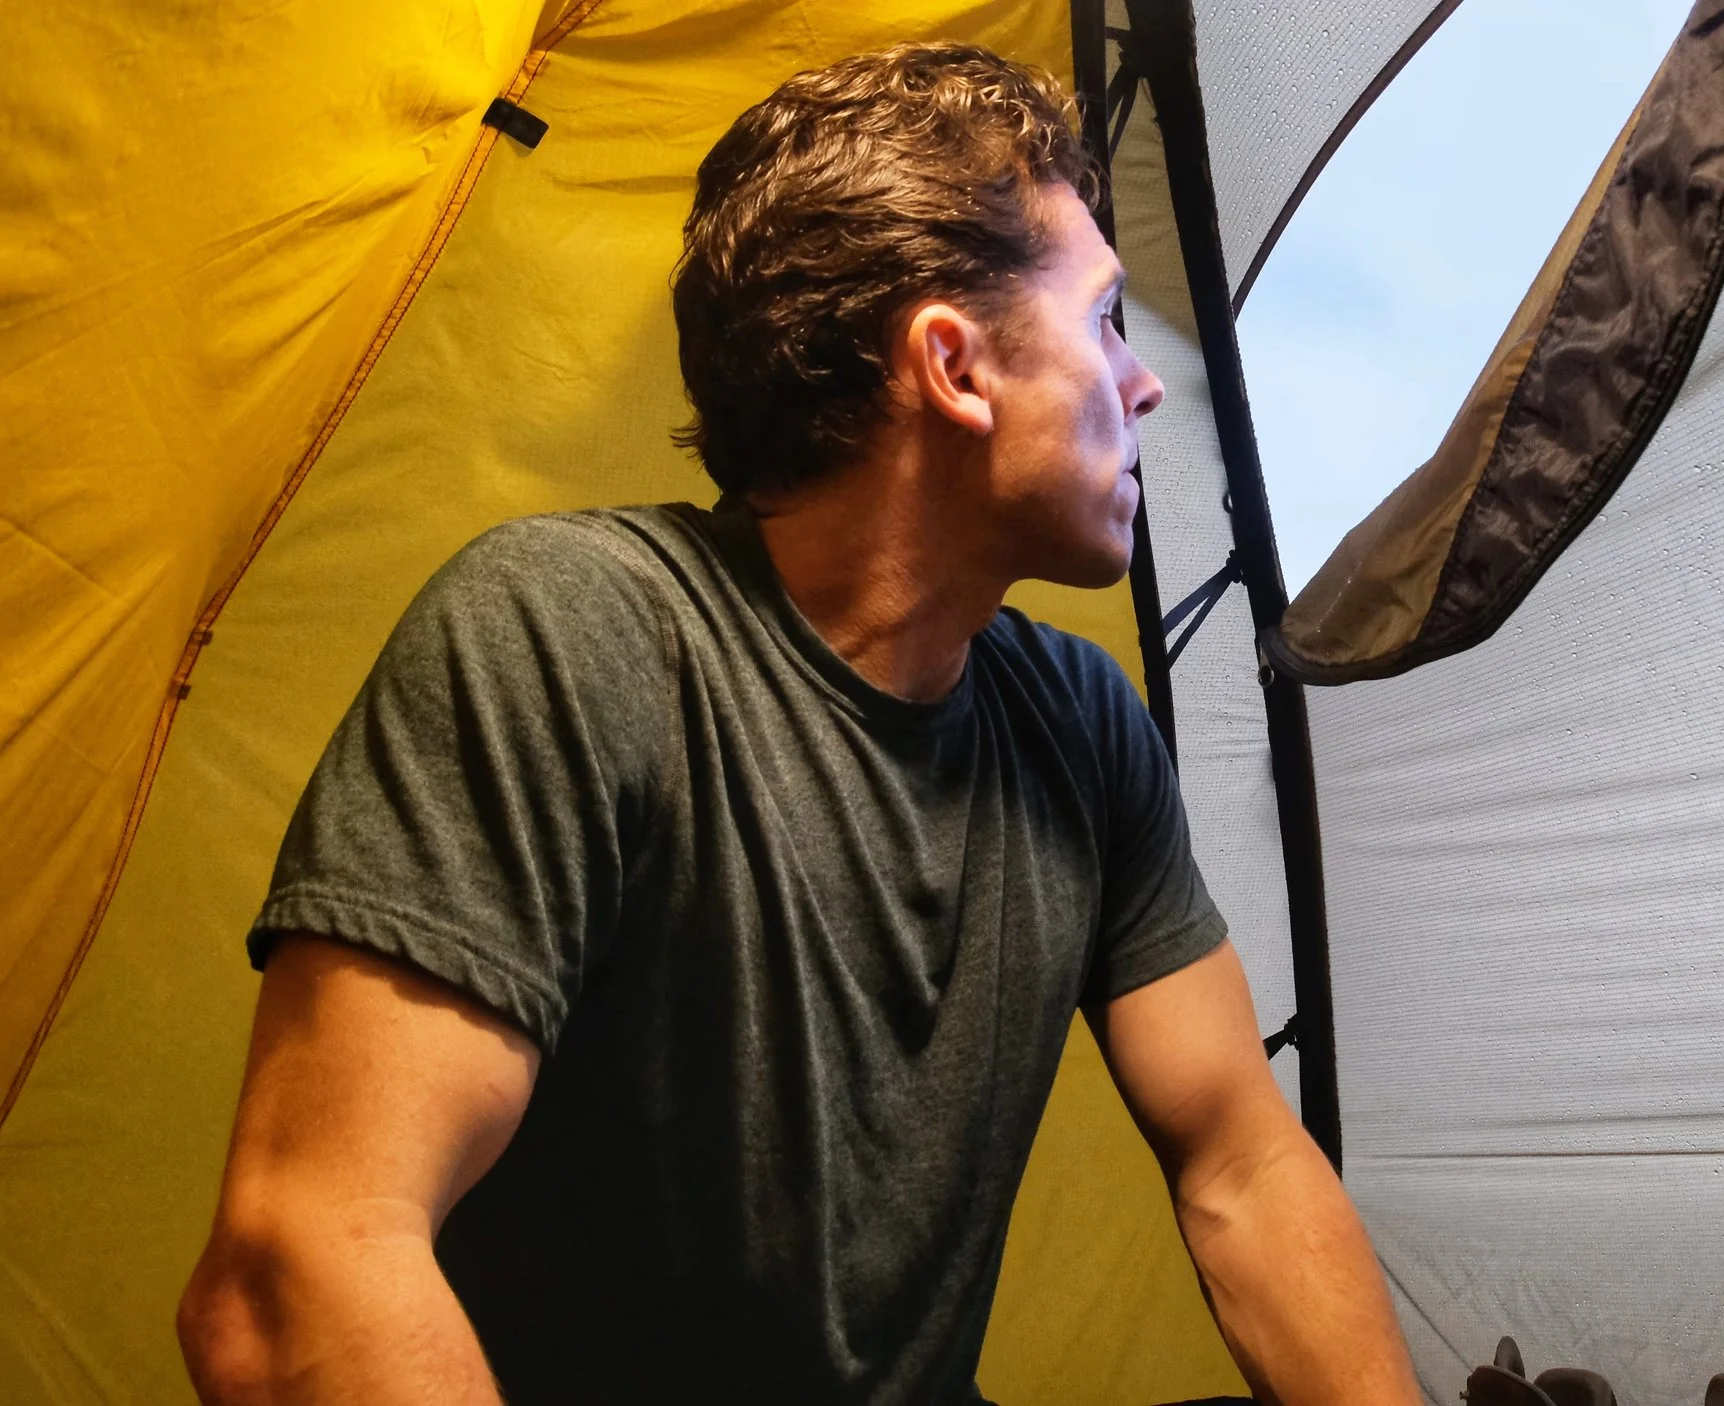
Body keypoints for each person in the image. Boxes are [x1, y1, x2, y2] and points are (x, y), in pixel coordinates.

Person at [175, 43, 1422, 1405]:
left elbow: (1243, 1164)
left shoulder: (1079, 722)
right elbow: (297, 1268)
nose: (1142, 385)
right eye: (1105, 319)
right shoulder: (571, 636)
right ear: (955, 365)